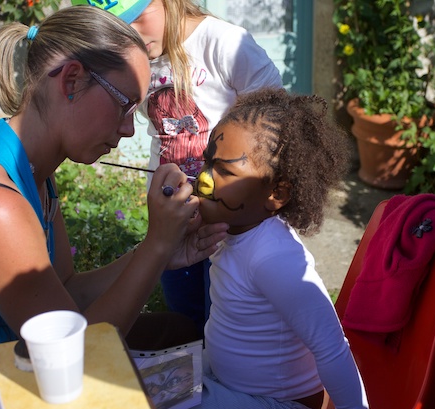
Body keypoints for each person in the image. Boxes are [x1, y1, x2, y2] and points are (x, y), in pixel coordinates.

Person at [0, 6, 229, 368]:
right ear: (70, 80)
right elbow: (76, 353)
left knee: (179, 332)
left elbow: (67, 292)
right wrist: (157, 246)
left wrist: (158, 253)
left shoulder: (31, 171)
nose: (129, 129)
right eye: (125, 106)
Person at [72, 0, 283, 337]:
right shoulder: (138, 57)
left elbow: (276, 118)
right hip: (176, 219)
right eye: (120, 27)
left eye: (138, 18)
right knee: (186, 320)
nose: (133, 36)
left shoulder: (224, 44)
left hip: (232, 223)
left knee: (227, 320)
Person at [165, 88, 373, 409]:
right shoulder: (231, 225)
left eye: (224, 171)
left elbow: (332, 348)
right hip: (228, 386)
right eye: (206, 162)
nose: (202, 179)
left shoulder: (274, 258)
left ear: (275, 193)